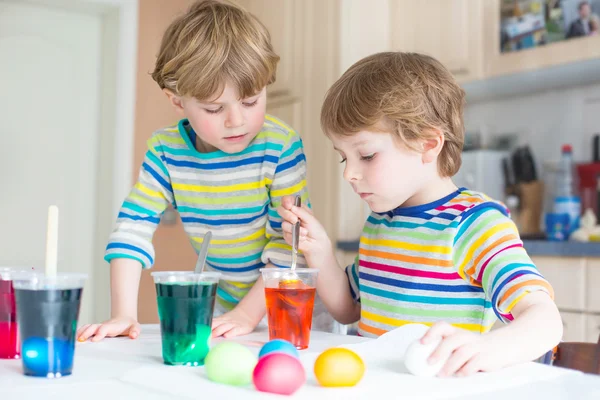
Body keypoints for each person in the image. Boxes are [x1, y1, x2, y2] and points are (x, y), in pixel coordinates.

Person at [278, 52, 563, 377]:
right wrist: (320, 252)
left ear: (428, 144)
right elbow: (349, 309)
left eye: (366, 155)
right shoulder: (380, 223)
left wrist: (490, 348)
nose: (350, 174)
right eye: (345, 158)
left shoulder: (474, 223)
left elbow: (545, 319)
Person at [77, 0, 312, 342]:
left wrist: (247, 314)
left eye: (250, 101)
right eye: (214, 108)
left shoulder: (280, 146)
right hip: (224, 311)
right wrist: (123, 313)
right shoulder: (164, 151)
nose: (237, 120)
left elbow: (290, 245)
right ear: (177, 101)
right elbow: (132, 228)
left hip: (285, 307)